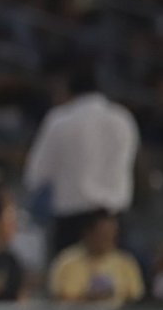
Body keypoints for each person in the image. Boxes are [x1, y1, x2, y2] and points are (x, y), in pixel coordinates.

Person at [24, 61, 139, 257]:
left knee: (68, 283)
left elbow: (36, 175)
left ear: (68, 90)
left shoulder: (60, 120)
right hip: (115, 218)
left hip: (74, 220)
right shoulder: (123, 118)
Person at [48, 209, 144, 306]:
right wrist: (87, 299)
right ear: (88, 233)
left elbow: (135, 299)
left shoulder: (126, 262)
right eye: (103, 235)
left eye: (112, 234)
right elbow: (57, 299)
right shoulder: (66, 262)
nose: (108, 239)